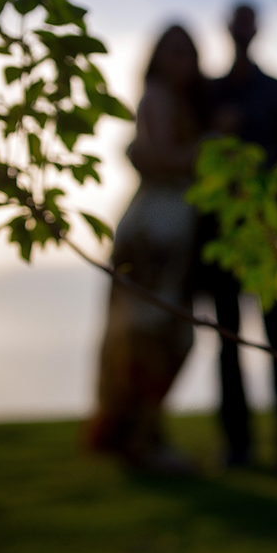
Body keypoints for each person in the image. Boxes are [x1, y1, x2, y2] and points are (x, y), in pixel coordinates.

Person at [88, 25, 209, 473]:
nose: (182, 60)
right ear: (157, 58)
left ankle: (140, 433)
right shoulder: (156, 96)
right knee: (147, 335)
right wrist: (211, 147)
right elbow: (159, 158)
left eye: (188, 52)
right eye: (173, 51)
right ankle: (140, 438)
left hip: (172, 231)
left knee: (166, 334)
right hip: (153, 232)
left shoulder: (179, 101)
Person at [197, 2, 277, 471]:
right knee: (227, 340)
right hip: (219, 235)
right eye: (236, 21)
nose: (242, 29)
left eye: (248, 21)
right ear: (228, 28)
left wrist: (273, 217)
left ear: (256, 29)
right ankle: (237, 445)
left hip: (267, 236)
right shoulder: (208, 93)